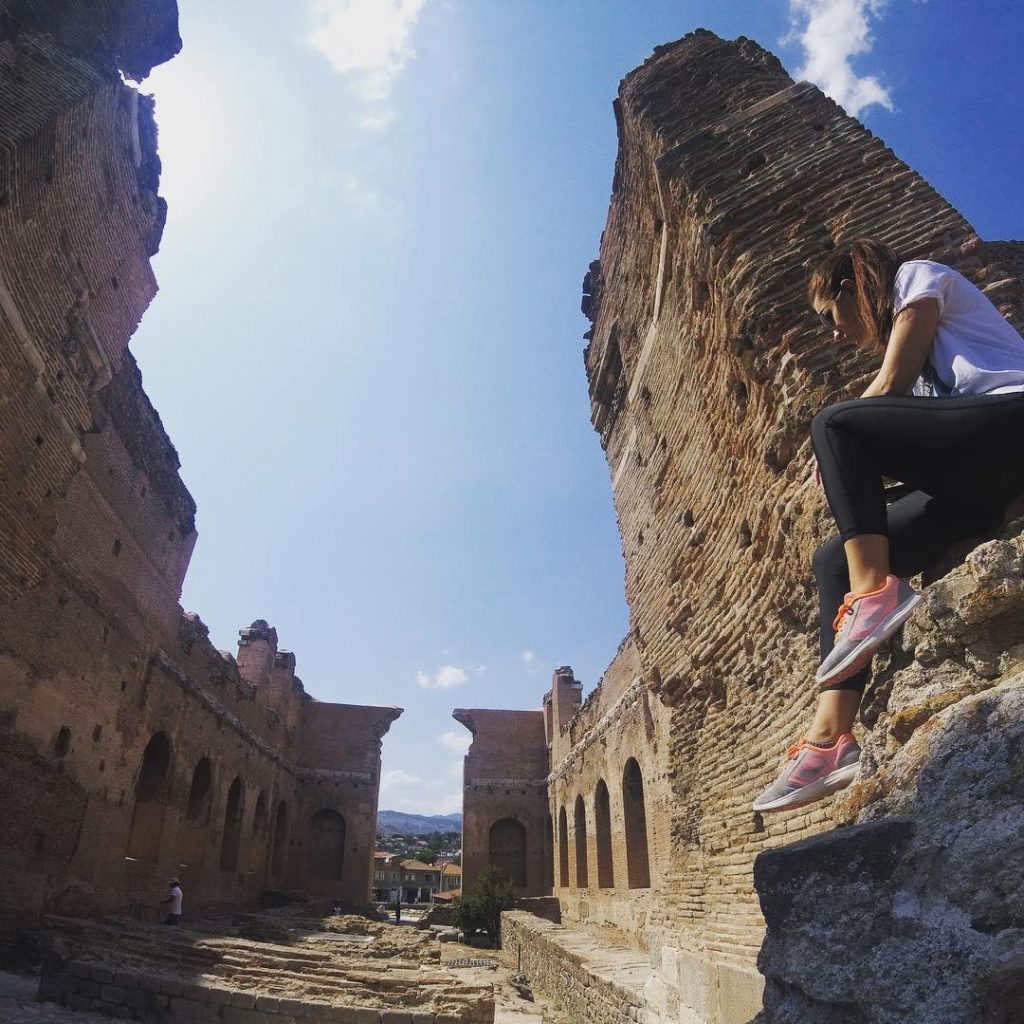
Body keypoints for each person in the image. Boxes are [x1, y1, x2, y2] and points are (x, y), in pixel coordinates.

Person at [754, 238, 1024, 813]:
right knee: (831, 559)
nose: (833, 333)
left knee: (836, 424)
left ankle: (874, 593)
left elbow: (889, 387)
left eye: (831, 315)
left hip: (1011, 423)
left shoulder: (919, 279)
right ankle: (829, 740)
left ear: (854, 281)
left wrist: (837, 448)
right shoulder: (930, 383)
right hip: (975, 481)